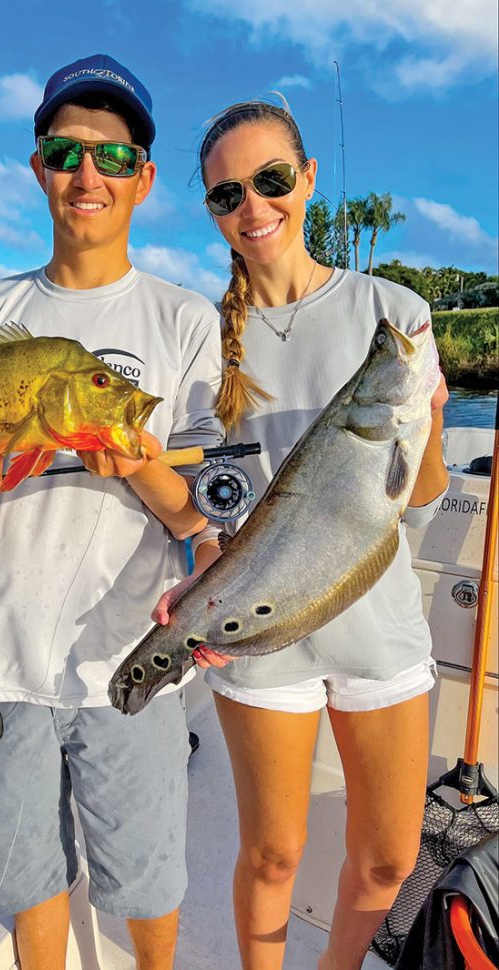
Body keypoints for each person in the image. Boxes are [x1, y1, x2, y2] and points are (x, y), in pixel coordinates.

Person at [0, 55, 223, 970]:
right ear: (37, 166)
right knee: (30, 878)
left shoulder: (184, 321)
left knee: (147, 878)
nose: (87, 176)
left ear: (144, 179)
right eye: (65, 152)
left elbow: (198, 512)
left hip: (128, 660)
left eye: (113, 158)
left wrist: (138, 466)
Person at [153, 98, 450, 970]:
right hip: (262, 633)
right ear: (211, 210)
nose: (254, 206)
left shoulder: (392, 311)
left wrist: (425, 422)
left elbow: (421, 492)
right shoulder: (206, 340)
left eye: (272, 180)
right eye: (227, 194)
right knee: (273, 852)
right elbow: (212, 504)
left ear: (308, 179)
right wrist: (204, 572)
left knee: (392, 854)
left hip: (377, 622)